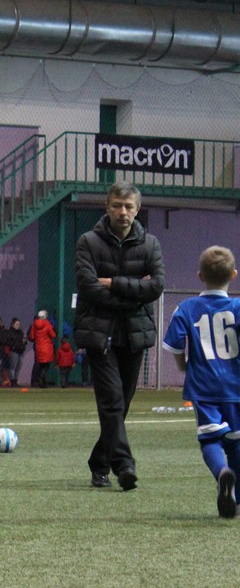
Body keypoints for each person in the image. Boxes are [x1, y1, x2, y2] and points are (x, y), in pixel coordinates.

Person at [74, 181, 165, 490]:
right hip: (99, 335)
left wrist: (113, 283)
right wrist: (134, 294)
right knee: (112, 401)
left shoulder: (151, 244)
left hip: (134, 336)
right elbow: (88, 287)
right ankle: (125, 465)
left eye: (128, 206)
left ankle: (99, 463)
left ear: (137, 210)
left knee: (121, 405)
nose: (122, 211)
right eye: (117, 205)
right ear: (107, 207)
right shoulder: (88, 242)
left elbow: (156, 287)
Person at [161, 245, 240, 518]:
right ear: (233, 274)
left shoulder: (187, 308)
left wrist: (183, 366)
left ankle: (221, 472)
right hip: (236, 386)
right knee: (237, 441)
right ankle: (237, 501)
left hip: (203, 386)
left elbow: (174, 345)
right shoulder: (238, 307)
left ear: (200, 276)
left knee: (209, 439)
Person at [28, 310, 57, 389]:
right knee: (46, 365)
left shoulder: (34, 325)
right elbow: (53, 335)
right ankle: (41, 378)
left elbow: (32, 337)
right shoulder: (47, 324)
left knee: (40, 365)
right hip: (47, 347)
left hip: (38, 347)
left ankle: (42, 382)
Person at [5, 317, 28, 387]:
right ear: (13, 325)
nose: (18, 326)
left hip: (20, 351)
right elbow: (8, 342)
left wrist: (24, 342)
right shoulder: (9, 332)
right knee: (13, 367)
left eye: (19, 324)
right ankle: (12, 381)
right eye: (16, 324)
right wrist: (14, 346)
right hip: (14, 351)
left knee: (18, 367)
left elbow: (24, 341)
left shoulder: (20, 332)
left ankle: (15, 380)